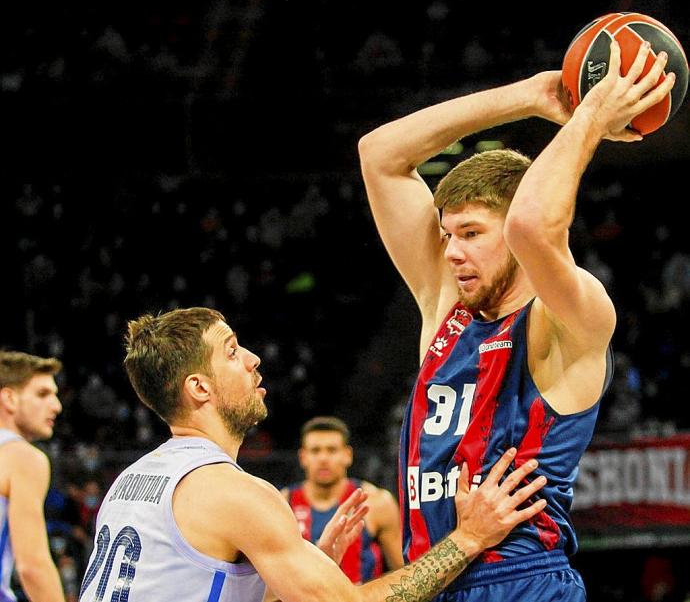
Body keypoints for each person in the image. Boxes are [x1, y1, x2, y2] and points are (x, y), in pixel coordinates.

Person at [358, 40, 675, 601]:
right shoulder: (445, 304)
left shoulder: (569, 317)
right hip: (433, 575)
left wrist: (590, 118)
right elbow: (379, 152)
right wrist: (531, 95)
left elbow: (533, 225)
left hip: (519, 581)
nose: (451, 252)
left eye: (473, 234)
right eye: (447, 235)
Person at [79, 306, 547, 601]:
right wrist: (468, 538)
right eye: (231, 351)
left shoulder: (129, 481)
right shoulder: (233, 493)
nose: (252, 359)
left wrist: (290, 576)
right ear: (199, 387)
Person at [282, 416, 404, 583]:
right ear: (303, 457)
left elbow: (403, 571)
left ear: (347, 455)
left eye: (331, 450)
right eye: (315, 450)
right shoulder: (282, 504)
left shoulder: (378, 503)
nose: (323, 458)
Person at [0, 350, 66, 602]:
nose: (56, 406)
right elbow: (32, 566)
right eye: (42, 394)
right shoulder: (22, 458)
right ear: (9, 398)